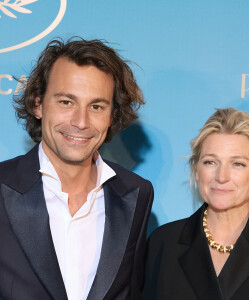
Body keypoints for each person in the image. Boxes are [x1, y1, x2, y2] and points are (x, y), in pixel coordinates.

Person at [0, 38, 154, 300]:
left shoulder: (136, 194)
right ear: (38, 104)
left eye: (96, 106)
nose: (81, 122)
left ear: (112, 115)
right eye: (66, 102)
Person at [143, 107, 249, 300]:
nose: (221, 177)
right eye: (210, 162)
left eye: (238, 164)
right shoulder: (163, 244)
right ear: (196, 170)